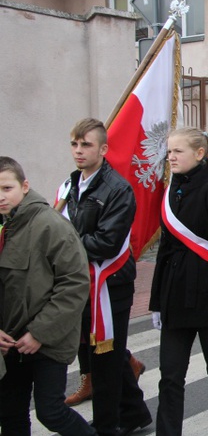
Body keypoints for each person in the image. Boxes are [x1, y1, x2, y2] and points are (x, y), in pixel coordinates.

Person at [60, 118, 151, 436]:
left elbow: (106, 242)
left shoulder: (117, 189)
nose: (78, 150)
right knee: (96, 351)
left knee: (106, 355)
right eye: (74, 144)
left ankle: (107, 425)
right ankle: (133, 411)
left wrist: (62, 244)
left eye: (86, 144)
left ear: (103, 148)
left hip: (110, 283)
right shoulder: (72, 184)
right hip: (81, 279)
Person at [150, 128, 208, 435]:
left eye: (178, 151)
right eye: (170, 151)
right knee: (170, 377)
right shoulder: (171, 190)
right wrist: (156, 303)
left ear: (199, 154)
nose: (171, 157)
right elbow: (164, 250)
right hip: (175, 298)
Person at [0, 157, 96, 436]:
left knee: (51, 411)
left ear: (25, 186)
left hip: (48, 338)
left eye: (7, 188)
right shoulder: (5, 224)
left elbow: (75, 284)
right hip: (10, 339)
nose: (1, 196)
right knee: (10, 411)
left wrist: (40, 332)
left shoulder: (50, 225)